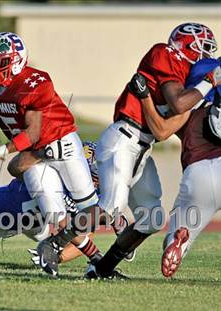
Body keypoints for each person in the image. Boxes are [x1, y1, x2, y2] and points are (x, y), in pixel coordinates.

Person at [37, 22, 218, 279]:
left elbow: (164, 130)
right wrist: (209, 81)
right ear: (186, 45)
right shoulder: (165, 53)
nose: (206, 57)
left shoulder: (192, 88)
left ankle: (102, 268)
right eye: (203, 49)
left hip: (143, 147)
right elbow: (177, 103)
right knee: (111, 207)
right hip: (124, 137)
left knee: (152, 218)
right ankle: (53, 244)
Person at [0, 32, 101, 256]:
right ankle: (87, 252)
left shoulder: (33, 83)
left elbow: (32, 134)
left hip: (56, 141)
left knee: (88, 207)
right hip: (34, 151)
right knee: (19, 172)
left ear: (16, 61)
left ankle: (106, 238)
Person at [129, 58, 220, 278]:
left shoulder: (185, 109)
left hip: (198, 173)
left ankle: (179, 238)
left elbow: (161, 131)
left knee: (180, 229)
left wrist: (145, 98)